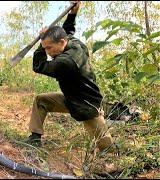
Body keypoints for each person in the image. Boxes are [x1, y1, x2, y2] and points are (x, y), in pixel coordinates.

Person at [26, 1, 114, 152]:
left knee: (107, 149)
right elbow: (67, 30)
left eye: (49, 47)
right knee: (41, 101)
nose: (47, 52)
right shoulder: (70, 42)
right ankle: (35, 138)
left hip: (86, 105)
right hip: (70, 97)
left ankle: (115, 160)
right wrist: (73, 13)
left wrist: (40, 46)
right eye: (45, 48)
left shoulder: (66, 62)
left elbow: (39, 66)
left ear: (61, 42)